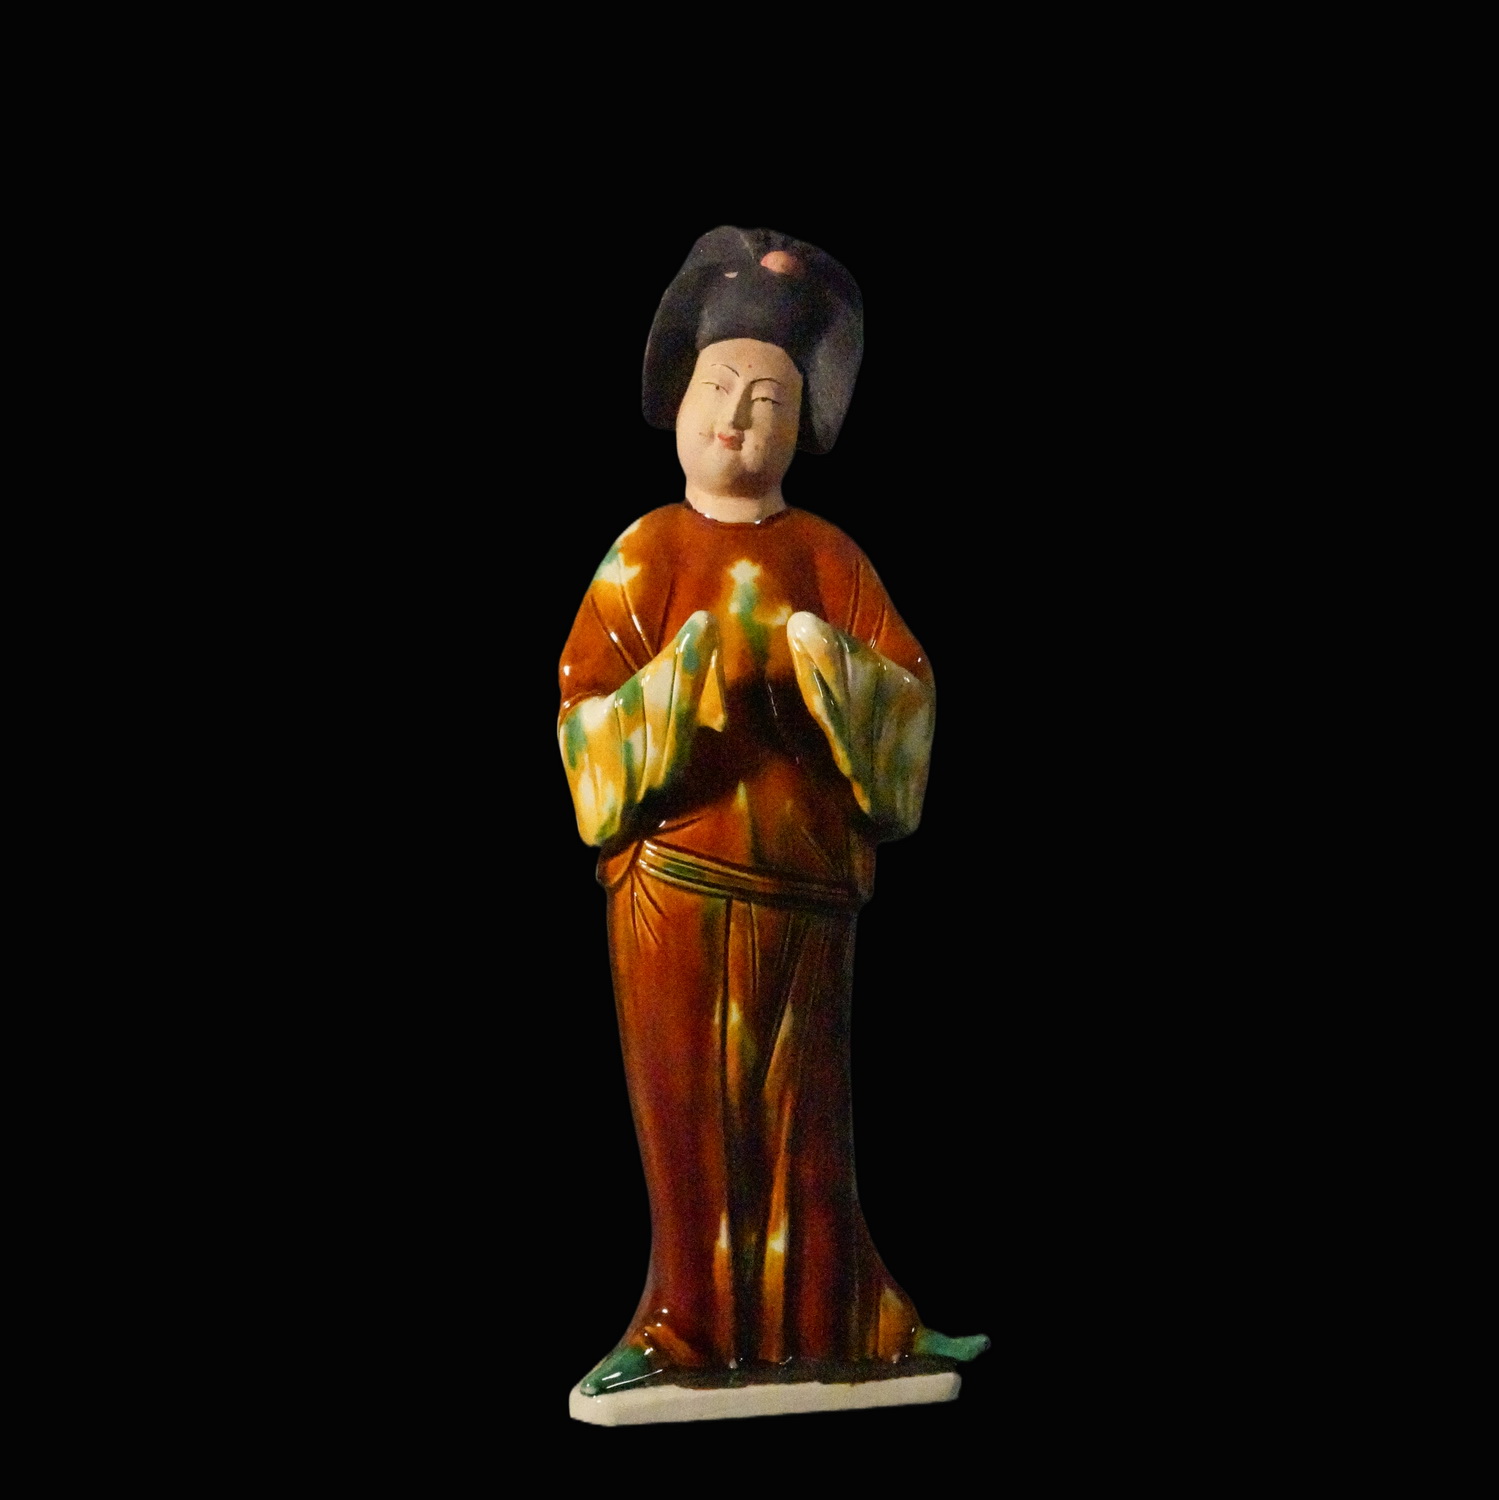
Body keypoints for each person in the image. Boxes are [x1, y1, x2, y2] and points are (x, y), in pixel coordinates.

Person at [558, 227, 987, 1397]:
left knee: (808, 1125)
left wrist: (831, 667)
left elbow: (908, 694)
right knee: (687, 1120)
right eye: (717, 390)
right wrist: (673, 683)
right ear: (679, 399)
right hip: (675, 883)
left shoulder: (828, 556)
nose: (735, 421)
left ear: (799, 423)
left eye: (766, 400)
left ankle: (843, 1322)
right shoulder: (644, 553)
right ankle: (681, 1328)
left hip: (803, 886)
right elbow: (582, 715)